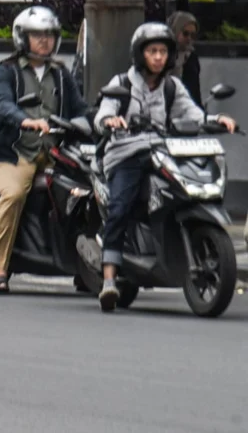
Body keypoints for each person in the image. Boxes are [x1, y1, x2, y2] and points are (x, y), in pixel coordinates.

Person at [93, 22, 236, 312]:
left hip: (164, 151)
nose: (158, 57)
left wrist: (217, 119)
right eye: (152, 51)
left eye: (162, 52)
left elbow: (194, 114)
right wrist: (110, 121)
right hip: (127, 153)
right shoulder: (122, 83)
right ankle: (109, 277)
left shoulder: (172, 86)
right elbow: (104, 113)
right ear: (140, 54)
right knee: (120, 206)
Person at [0, 6, 87, 294]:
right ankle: (0, 269)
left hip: (55, 153)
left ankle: (86, 267)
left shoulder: (61, 74)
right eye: (37, 35)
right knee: (14, 195)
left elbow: (80, 108)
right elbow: (2, 105)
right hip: (14, 152)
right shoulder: (4, 72)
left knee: (84, 195)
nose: (45, 41)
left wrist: (104, 119)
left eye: (50, 35)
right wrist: (25, 120)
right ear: (22, 38)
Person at [167, 11, 201, 99]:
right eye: (185, 33)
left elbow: (195, 91)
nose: (189, 38)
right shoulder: (162, 56)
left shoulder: (191, 57)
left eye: (193, 35)